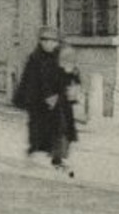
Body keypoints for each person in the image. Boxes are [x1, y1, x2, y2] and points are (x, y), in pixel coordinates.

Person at [13, 27, 77, 175]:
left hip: (59, 100)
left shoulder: (61, 56)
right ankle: (35, 152)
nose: (48, 44)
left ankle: (58, 159)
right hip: (39, 102)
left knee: (62, 129)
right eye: (45, 40)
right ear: (41, 42)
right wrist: (34, 98)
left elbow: (69, 75)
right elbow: (29, 81)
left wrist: (71, 78)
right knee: (39, 130)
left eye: (52, 41)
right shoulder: (35, 58)